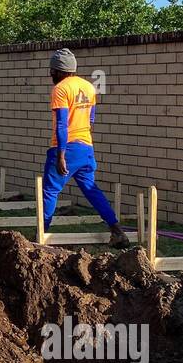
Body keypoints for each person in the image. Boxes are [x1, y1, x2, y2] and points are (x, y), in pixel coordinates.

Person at [44, 48, 131, 249]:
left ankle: (41, 234)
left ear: (57, 70)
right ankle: (117, 230)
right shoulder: (89, 87)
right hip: (86, 148)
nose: (50, 74)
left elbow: (62, 124)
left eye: (51, 70)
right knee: (92, 191)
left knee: (49, 191)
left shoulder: (61, 89)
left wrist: (61, 155)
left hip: (68, 148)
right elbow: (91, 118)